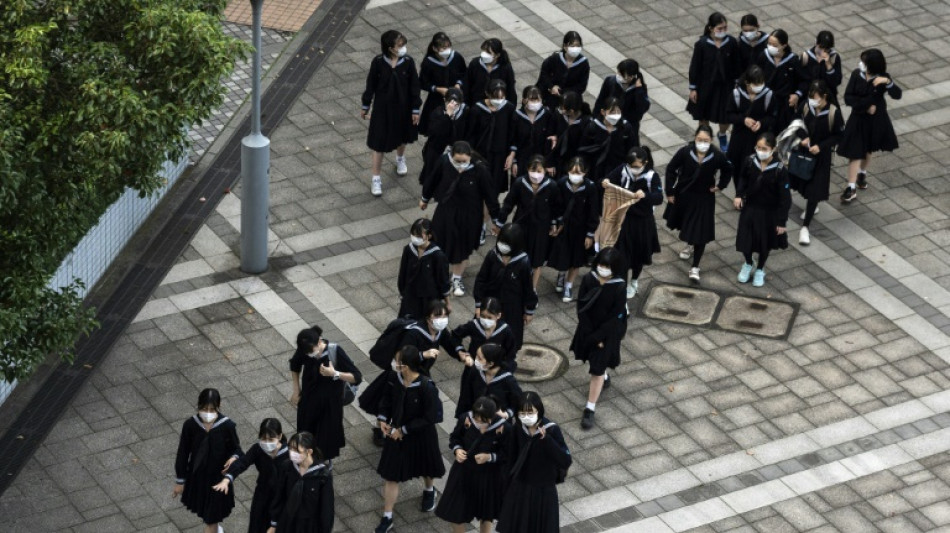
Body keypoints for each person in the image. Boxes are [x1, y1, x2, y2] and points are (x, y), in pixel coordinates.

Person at [374, 346, 446, 533]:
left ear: (405, 366)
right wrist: (382, 417)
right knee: (390, 475)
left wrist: (404, 430)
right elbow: (386, 399)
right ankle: (387, 516)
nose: (394, 363)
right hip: (396, 433)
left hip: (421, 435)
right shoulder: (394, 378)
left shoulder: (426, 387)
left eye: (397, 361)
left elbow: (432, 416)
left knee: (426, 467)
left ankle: (429, 490)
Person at [421, 141, 501, 296]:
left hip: (469, 215)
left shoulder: (479, 170)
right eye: (457, 161)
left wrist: (497, 220)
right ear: (451, 157)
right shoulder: (444, 162)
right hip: (446, 210)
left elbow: (490, 196)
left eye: (464, 161)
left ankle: (456, 278)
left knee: (462, 247)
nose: (460, 165)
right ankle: (437, 274)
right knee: (438, 241)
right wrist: (425, 198)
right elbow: (433, 179)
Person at [663, 125, 734, 283]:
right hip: (685, 194)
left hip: (704, 197)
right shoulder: (685, 152)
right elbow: (671, 168)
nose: (702, 143)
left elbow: (728, 168)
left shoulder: (716, 155)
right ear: (695, 138)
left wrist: (721, 185)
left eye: (706, 140)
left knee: (700, 232)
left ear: (711, 140)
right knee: (687, 224)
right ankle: (689, 244)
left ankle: (695, 267)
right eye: (699, 140)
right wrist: (669, 191)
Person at [496, 392, 572, 533]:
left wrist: (547, 441)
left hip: (543, 490)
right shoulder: (518, 429)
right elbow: (510, 459)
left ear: (539, 410)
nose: (526, 416)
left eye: (530, 412)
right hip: (521, 487)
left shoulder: (551, 430)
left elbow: (565, 460)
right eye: (522, 413)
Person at [435, 396, 512, 533]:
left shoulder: (504, 428)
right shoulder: (466, 419)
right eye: (476, 417)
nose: (478, 421)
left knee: (486, 515)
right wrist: (457, 449)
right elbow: (455, 437)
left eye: (483, 419)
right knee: (454, 512)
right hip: (464, 471)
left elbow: (508, 453)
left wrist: (489, 457)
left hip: (489, 476)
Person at [571, 248, 627, 429]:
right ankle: (604, 376)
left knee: (596, 368)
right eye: (602, 265)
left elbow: (615, 316)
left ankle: (590, 408)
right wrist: (592, 335)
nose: (603, 269)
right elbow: (581, 307)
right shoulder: (589, 279)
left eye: (607, 266)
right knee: (594, 361)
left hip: (607, 334)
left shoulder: (619, 286)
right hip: (588, 330)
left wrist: (599, 337)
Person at [361, 30, 422, 197]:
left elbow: (414, 86)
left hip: (404, 107)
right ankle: (375, 178)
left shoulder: (408, 62)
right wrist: (365, 105)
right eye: (399, 45)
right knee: (378, 142)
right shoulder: (379, 63)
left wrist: (415, 108)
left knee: (403, 136)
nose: (403, 48)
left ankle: (400, 158)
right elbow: (371, 85)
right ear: (390, 48)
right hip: (382, 109)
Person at [173, 388, 242, 533]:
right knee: (208, 515)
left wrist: (233, 457)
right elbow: (183, 453)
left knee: (211, 520)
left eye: (212, 409)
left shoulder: (227, 426)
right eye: (204, 409)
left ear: (219, 406)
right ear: (198, 406)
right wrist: (180, 480)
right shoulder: (191, 426)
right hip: (198, 478)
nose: (208, 413)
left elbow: (237, 449)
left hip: (218, 480)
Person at [289, 326, 362, 462]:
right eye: (308, 353)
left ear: (319, 343)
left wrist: (335, 373)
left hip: (330, 406)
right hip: (308, 402)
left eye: (313, 352)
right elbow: (295, 365)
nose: (312, 355)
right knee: (305, 437)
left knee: (325, 442)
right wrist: (296, 389)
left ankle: (323, 466)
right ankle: (305, 461)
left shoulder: (335, 351)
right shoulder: (304, 348)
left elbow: (357, 377)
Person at [838, 48, 901, 203]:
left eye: (864, 62)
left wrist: (888, 82)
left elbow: (897, 94)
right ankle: (850, 187)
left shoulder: (882, 78)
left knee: (867, 149)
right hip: (858, 117)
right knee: (855, 151)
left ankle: (862, 172)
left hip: (875, 120)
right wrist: (865, 106)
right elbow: (848, 97)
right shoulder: (856, 75)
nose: (861, 64)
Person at [495, 154, 562, 290]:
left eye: (539, 171)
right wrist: (499, 223)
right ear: (527, 169)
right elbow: (508, 204)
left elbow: (557, 207)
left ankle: (532, 289)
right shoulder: (520, 183)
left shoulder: (552, 186)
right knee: (515, 256)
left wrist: (555, 223)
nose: (535, 174)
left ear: (545, 171)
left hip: (541, 229)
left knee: (536, 262)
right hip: (521, 227)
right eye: (533, 170)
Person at [734, 132, 791, 287]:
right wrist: (739, 195)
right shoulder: (750, 161)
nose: (761, 151)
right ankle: (748, 263)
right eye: (758, 147)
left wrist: (781, 221)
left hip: (769, 212)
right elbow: (742, 178)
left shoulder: (780, 170)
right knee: (745, 240)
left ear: (773, 149)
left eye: (764, 148)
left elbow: (785, 198)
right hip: (750, 208)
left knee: (764, 244)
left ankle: (760, 269)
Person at [605, 147, 663, 298]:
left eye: (637, 167)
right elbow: (609, 178)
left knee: (639, 255)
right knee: (621, 255)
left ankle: (634, 280)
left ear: (645, 163)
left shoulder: (651, 176)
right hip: (624, 219)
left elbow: (659, 197)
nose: (633, 169)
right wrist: (605, 181)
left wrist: (646, 195)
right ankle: (621, 286)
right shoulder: (624, 170)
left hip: (643, 223)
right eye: (631, 166)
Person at [213, 419, 290, 533]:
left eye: (270, 439)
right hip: (262, 494)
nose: (267, 442)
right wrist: (227, 479)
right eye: (263, 438)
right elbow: (243, 462)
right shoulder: (258, 449)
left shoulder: (289, 455)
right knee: (256, 524)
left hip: (282, 497)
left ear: (279, 436)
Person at [792, 80, 843, 245]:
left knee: (814, 190)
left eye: (815, 98)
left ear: (824, 97)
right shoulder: (806, 106)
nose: (812, 101)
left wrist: (821, 146)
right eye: (810, 97)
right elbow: (796, 121)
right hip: (803, 151)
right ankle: (811, 206)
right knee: (800, 182)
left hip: (821, 157)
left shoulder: (833, 113)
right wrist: (802, 137)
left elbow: (838, 135)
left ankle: (805, 227)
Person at [473, 223, 538, 351]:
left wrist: (529, 310)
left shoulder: (523, 262)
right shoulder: (492, 256)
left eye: (507, 243)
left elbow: (528, 288)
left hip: (512, 308)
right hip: (490, 303)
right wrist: (478, 304)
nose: (502, 245)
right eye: (501, 241)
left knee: (509, 341)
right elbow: (481, 280)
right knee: (483, 338)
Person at [687, 12, 741, 151]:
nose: (722, 31)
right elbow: (695, 66)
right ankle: (704, 138)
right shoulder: (702, 44)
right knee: (703, 115)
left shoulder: (731, 43)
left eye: (725, 28)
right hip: (705, 85)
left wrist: (737, 83)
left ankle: (722, 134)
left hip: (725, 85)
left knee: (726, 116)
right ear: (711, 28)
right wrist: (693, 88)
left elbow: (736, 64)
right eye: (719, 28)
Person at [549, 156, 600, 302]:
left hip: (581, 229)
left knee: (577, 258)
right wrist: (556, 222)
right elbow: (555, 206)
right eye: (572, 172)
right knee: (563, 253)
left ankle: (569, 285)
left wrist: (590, 234)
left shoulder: (590, 188)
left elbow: (593, 212)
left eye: (578, 172)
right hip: (564, 227)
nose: (575, 176)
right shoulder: (561, 184)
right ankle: (561, 275)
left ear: (585, 172)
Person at [266, 432, 334, 533]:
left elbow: (326, 508)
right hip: (288, 521)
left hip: (309, 526)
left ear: (309, 451)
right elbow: (279, 495)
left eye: (297, 450)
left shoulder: (323, 476)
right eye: (291, 448)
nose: (292, 453)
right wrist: (274, 523)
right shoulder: (287, 467)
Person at [468, 79, 517, 197]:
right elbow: (470, 134)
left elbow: (513, 134)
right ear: (487, 94)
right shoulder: (477, 109)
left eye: (502, 97)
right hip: (480, 154)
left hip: (499, 156)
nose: (499, 101)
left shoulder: (509, 109)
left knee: (493, 190)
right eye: (495, 97)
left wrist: (511, 155)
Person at [725, 65, 776, 172]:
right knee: (736, 169)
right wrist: (743, 120)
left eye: (761, 83)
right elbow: (728, 115)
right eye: (756, 84)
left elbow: (773, 117)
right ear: (747, 83)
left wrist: (761, 123)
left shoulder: (768, 95)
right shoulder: (737, 94)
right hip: (739, 139)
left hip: (758, 139)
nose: (759, 86)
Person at [397, 218, 451, 319]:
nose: (414, 238)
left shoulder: (437, 255)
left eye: (418, 236)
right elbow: (403, 273)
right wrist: (402, 293)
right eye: (413, 234)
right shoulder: (409, 250)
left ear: (429, 236)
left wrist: (447, 302)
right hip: (410, 294)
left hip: (429, 298)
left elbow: (443, 279)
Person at [755, 29, 806, 134]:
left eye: (774, 45)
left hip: (784, 105)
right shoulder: (763, 56)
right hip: (764, 100)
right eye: (769, 43)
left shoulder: (793, 61)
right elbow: (754, 74)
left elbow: (804, 81)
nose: (771, 47)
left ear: (784, 45)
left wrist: (797, 95)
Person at [577, 96, 638, 183]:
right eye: (612, 112)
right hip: (596, 169)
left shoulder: (625, 128)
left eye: (618, 111)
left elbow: (632, 148)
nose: (616, 115)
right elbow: (584, 149)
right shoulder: (593, 127)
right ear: (603, 112)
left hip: (617, 169)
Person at [456, 343, 524, 419]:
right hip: (475, 418)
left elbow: (519, 400)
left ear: (491, 363)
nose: (476, 360)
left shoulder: (508, 380)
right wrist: (462, 416)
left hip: (496, 421)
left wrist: (507, 414)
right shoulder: (475, 371)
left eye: (480, 358)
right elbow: (466, 395)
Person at [418, 87, 469, 187]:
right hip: (436, 149)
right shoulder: (437, 112)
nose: (453, 106)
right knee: (432, 175)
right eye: (450, 103)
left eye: (457, 104)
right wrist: (447, 117)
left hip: (455, 151)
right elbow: (434, 132)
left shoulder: (465, 113)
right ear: (444, 101)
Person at [418, 32, 466, 137]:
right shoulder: (429, 62)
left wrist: (458, 84)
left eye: (448, 46)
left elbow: (464, 74)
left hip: (456, 96)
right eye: (443, 48)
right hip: (437, 100)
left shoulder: (456, 57)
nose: (447, 50)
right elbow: (423, 82)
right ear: (435, 48)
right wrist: (437, 89)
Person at [452, 296, 518, 371]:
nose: (485, 320)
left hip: (494, 370)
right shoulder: (473, 325)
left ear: (498, 316)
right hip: (474, 367)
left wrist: (504, 368)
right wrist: (460, 351)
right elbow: (455, 335)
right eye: (483, 316)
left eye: (489, 317)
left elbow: (511, 352)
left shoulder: (505, 330)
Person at [507, 86, 560, 176]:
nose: (535, 103)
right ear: (524, 101)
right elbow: (512, 139)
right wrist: (514, 162)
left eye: (537, 100)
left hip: (541, 159)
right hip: (522, 160)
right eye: (532, 100)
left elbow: (550, 139)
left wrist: (549, 163)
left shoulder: (546, 114)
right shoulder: (516, 116)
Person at [592, 59, 651, 138]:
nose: (618, 75)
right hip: (609, 121)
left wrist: (639, 90)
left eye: (622, 74)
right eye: (619, 72)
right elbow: (600, 102)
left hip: (628, 125)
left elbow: (642, 108)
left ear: (632, 76)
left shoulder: (639, 88)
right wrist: (595, 119)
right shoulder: (610, 81)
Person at [536, 31, 590, 111]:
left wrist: (562, 91)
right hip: (551, 96)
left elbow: (581, 86)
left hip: (570, 99)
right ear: (565, 46)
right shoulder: (555, 58)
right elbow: (544, 74)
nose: (575, 48)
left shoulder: (583, 63)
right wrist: (551, 86)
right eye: (572, 46)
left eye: (578, 46)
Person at [465, 38, 517, 106]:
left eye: (488, 53)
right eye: (484, 51)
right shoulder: (475, 64)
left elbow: (510, 89)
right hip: (477, 104)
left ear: (497, 55)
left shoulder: (505, 68)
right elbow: (467, 84)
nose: (484, 54)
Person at [552, 91, 591, 175]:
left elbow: (584, 147)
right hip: (555, 159)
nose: (560, 109)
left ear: (571, 111)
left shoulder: (586, 123)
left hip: (572, 162)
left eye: (562, 108)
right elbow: (550, 133)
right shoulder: (558, 115)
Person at [800, 31, 842, 106]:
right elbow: (800, 79)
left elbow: (837, 81)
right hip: (808, 97)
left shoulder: (834, 58)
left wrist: (828, 65)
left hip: (827, 98)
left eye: (827, 49)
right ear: (816, 43)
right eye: (821, 47)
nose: (823, 51)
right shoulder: (806, 56)